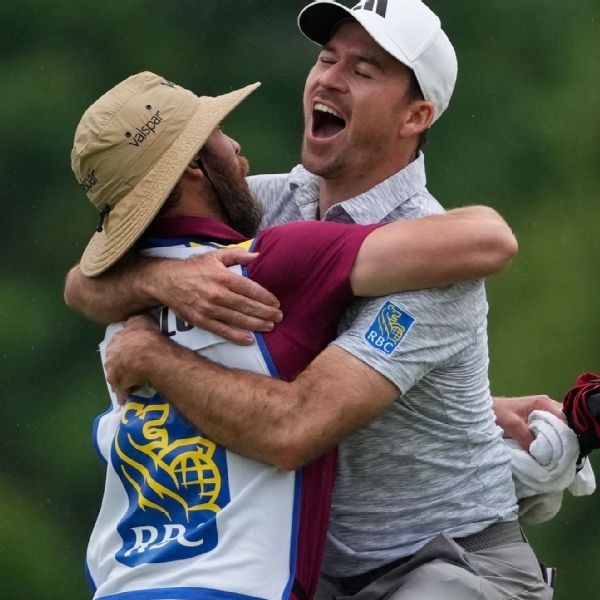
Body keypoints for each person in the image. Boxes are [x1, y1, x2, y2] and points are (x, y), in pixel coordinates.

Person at [66, 1, 560, 598]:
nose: (328, 78)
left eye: (364, 71)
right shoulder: (264, 202)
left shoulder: (437, 261)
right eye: (327, 58)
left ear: (416, 115)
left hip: (452, 561)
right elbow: (85, 281)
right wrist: (162, 280)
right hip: (311, 568)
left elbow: (295, 428)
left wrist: (151, 356)